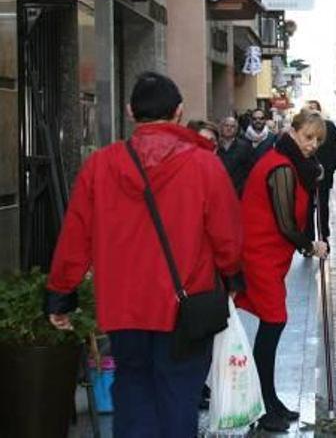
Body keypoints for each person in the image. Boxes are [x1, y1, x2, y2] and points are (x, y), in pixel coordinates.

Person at [45, 72, 243, 438]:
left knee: (132, 394)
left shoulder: (100, 166)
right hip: (185, 306)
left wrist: (61, 294)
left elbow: (75, 236)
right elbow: (227, 235)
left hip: (123, 308)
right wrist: (231, 277)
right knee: (179, 398)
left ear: (130, 112)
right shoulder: (205, 165)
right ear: (180, 112)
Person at [237, 110, 330, 432]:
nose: (312, 145)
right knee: (274, 321)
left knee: (272, 323)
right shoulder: (280, 166)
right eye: (308, 137)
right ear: (292, 131)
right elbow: (286, 223)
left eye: (318, 140)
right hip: (260, 254)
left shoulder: (289, 163)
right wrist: (311, 245)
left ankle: (270, 400)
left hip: (270, 255)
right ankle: (264, 405)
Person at [307, 100, 336, 244]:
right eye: (310, 110)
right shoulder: (303, 129)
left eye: (315, 109)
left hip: (325, 174)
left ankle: (324, 234)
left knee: (323, 205)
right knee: (307, 207)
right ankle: (308, 236)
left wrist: (330, 169)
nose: (313, 112)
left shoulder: (330, 127)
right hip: (307, 173)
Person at [216, 116, 254, 193]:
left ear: (236, 130)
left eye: (232, 126)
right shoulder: (215, 146)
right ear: (221, 128)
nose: (229, 128)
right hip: (218, 190)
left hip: (238, 191)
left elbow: (250, 170)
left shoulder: (245, 147)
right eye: (226, 125)